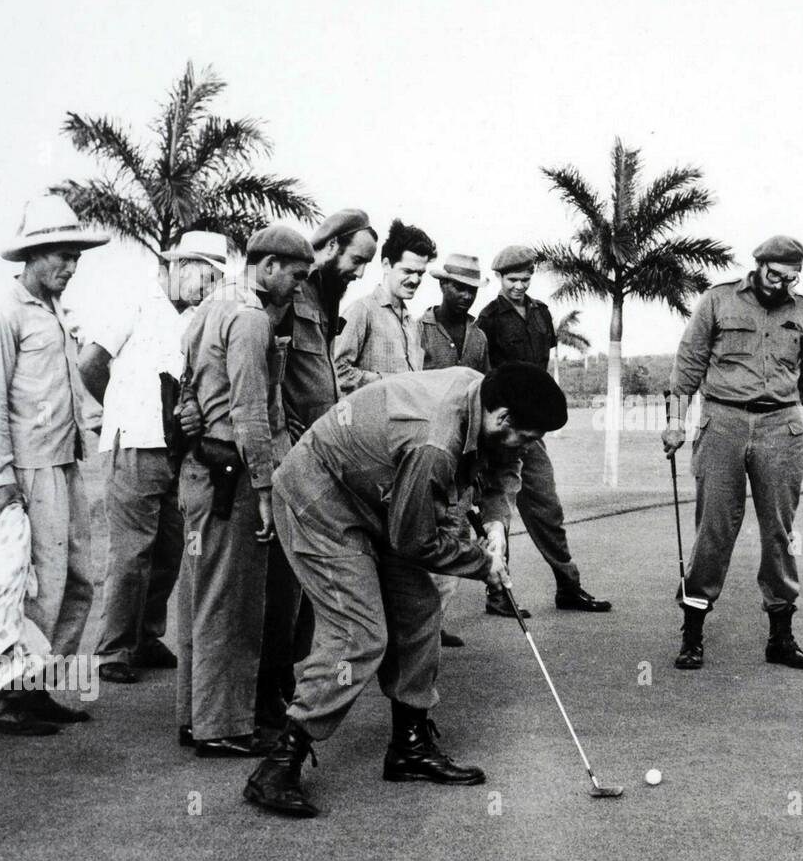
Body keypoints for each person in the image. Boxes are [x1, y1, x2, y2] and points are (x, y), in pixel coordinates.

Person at [243, 363, 565, 819]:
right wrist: (482, 565)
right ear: (504, 418)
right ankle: (278, 764)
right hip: (321, 499)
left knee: (418, 609)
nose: (529, 447)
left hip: (382, 496)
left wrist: (495, 523)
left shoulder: (488, 395)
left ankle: (409, 747)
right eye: (528, 436)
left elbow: (505, 464)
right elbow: (415, 539)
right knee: (360, 634)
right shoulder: (434, 441)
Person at [662, 235, 803, 671]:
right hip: (723, 423)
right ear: (757, 266)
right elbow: (687, 367)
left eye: (791, 278)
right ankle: (693, 634)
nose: (781, 285)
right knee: (714, 530)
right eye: (775, 275)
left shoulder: (802, 311)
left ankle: (781, 638)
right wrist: (676, 421)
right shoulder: (717, 301)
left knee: (781, 533)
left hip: (782, 426)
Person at [176, 224, 310, 758]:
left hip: (203, 466)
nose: (298, 288)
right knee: (232, 604)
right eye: (295, 277)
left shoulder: (210, 306)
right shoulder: (251, 318)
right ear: (269, 265)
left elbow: (186, 386)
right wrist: (265, 490)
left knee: (202, 598)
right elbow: (251, 413)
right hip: (233, 473)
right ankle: (223, 726)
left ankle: (197, 716)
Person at [79, 231, 228, 685]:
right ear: (180, 266)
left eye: (217, 280)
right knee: (131, 551)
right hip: (135, 442)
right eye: (205, 276)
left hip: (175, 448)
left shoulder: (192, 319)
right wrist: (119, 409)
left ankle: (145, 635)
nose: (209, 288)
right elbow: (90, 361)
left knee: (169, 548)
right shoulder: (137, 300)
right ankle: (112, 650)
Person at [257, 209, 377, 732]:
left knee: (303, 589)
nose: (360, 272)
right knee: (279, 588)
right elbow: (270, 382)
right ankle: (266, 694)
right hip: (291, 458)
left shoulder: (327, 299)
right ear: (329, 247)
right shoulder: (291, 293)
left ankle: (287, 680)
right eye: (357, 260)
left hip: (320, 456)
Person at [0, 195, 109, 734]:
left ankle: (38, 685)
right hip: (29, 469)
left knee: (78, 579)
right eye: (61, 256)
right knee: (35, 586)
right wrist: (1, 478)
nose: (69, 267)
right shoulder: (7, 311)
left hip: (66, 462)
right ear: (33, 254)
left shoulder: (55, 313)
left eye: (76, 258)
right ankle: (11, 695)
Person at [475, 245, 611, 616]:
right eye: (511, 280)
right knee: (499, 509)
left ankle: (569, 586)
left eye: (524, 279)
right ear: (499, 279)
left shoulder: (541, 313)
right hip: (502, 427)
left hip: (530, 429)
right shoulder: (487, 319)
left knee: (546, 508)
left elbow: (544, 366)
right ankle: (499, 594)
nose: (518, 286)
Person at [418, 253, 491, 647]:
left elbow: (485, 392)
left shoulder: (479, 338)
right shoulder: (420, 330)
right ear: (442, 286)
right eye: (457, 287)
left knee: (455, 534)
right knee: (419, 536)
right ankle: (415, 623)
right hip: (426, 450)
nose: (464, 295)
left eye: (471, 289)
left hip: (463, 455)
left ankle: (433, 623)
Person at [333, 218, 433, 393]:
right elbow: (338, 370)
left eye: (420, 273)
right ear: (386, 265)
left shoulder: (412, 323)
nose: (415, 280)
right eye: (408, 271)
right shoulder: (362, 310)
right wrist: (389, 382)